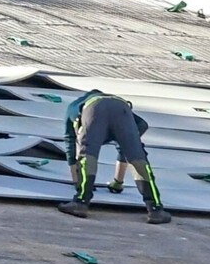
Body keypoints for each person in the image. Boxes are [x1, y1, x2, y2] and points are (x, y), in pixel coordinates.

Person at [59, 89, 172, 224]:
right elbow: (142, 125)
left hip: (93, 109)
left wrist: (77, 182)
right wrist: (118, 182)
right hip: (122, 108)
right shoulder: (113, 101)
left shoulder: (74, 106)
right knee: (137, 158)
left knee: (87, 153)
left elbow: (70, 143)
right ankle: (155, 209)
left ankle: (80, 202)